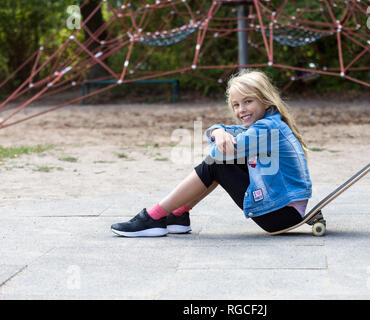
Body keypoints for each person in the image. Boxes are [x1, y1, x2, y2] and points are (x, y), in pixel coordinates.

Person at [111, 69, 312, 237]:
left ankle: (153, 217)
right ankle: (178, 214)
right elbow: (227, 132)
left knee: (218, 162)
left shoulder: (267, 129)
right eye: (236, 104)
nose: (241, 109)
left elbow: (220, 151)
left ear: (266, 102)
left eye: (248, 101)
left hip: (280, 215)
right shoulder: (268, 122)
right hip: (285, 208)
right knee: (222, 160)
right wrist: (218, 131)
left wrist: (220, 138)